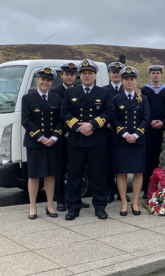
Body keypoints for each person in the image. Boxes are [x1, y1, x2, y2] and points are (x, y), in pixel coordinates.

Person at [61, 59, 113, 221]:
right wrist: (78, 126)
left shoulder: (104, 93)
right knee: (74, 175)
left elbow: (109, 112)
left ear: (95, 75)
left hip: (96, 139)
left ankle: (99, 206)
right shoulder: (70, 93)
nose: (87, 76)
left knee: (98, 174)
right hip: (76, 140)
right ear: (80, 76)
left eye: (90, 73)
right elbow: (64, 113)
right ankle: (73, 206)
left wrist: (92, 125)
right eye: (84, 73)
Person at [21, 67, 64, 219]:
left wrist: (54, 137)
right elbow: (26, 121)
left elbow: (60, 120)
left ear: (51, 82)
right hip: (35, 142)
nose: (45, 82)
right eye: (43, 79)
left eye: (48, 80)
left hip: (53, 142)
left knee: (50, 174)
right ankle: (32, 207)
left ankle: (50, 205)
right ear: (37, 80)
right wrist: (41, 137)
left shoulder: (57, 98)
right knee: (33, 175)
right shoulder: (27, 98)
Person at [50, 62, 91, 211]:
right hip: (61, 137)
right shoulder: (54, 92)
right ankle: (60, 199)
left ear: (76, 76)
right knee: (61, 170)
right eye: (66, 74)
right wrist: (65, 131)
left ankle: (76, 199)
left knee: (77, 169)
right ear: (62, 76)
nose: (69, 77)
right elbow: (56, 116)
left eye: (72, 74)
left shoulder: (80, 91)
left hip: (78, 137)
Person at [111, 66, 150, 216]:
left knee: (138, 172)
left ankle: (135, 202)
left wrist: (136, 135)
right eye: (126, 79)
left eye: (132, 79)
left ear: (135, 81)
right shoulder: (116, 99)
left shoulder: (143, 98)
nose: (129, 82)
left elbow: (146, 118)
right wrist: (125, 134)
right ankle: (124, 203)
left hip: (138, 141)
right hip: (122, 140)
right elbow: (113, 119)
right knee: (121, 172)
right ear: (122, 81)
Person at [141, 65, 165, 199]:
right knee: (147, 158)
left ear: (161, 75)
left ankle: (163, 187)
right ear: (150, 75)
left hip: (163, 130)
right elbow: (140, 110)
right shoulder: (143, 91)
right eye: (153, 73)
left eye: (157, 73)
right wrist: (149, 122)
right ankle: (146, 189)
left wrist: (163, 122)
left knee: (161, 158)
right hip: (148, 130)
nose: (155, 75)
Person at [102, 62, 130, 204]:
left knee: (121, 163)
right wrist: (108, 124)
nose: (115, 74)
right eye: (113, 72)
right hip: (108, 133)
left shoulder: (127, 90)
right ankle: (109, 191)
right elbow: (102, 111)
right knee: (108, 164)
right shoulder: (104, 90)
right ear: (110, 74)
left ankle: (122, 192)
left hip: (123, 133)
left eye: (118, 72)